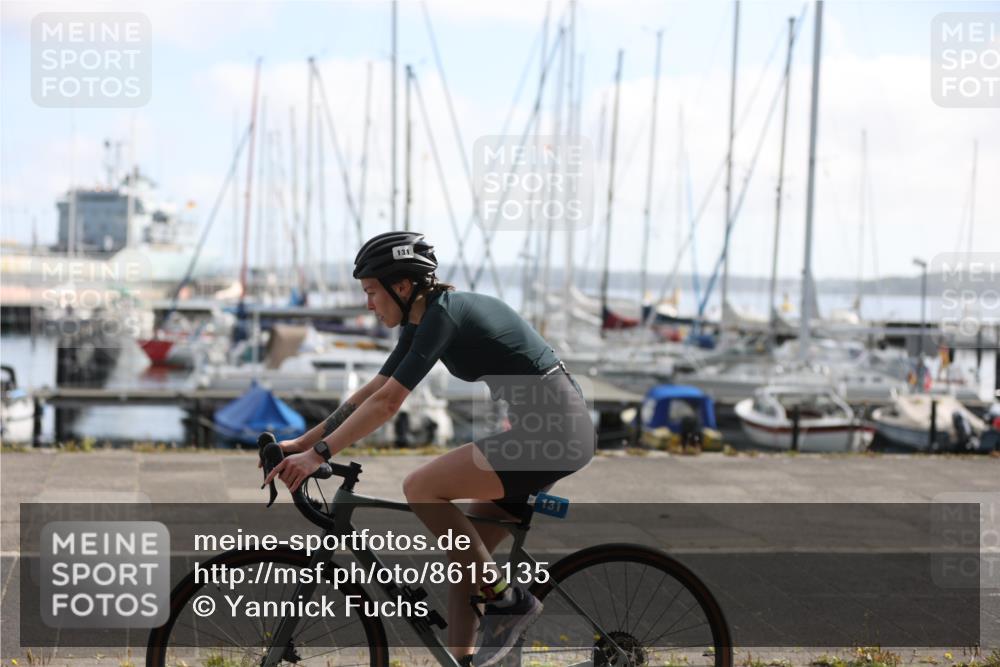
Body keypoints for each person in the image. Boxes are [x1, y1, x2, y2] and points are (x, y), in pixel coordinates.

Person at [264, 231, 595, 666]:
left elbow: (389, 403)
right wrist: (302, 443)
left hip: (554, 434)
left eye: (371, 291)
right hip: (545, 432)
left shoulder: (445, 315)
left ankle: (508, 602)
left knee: (421, 487)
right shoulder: (422, 320)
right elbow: (376, 388)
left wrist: (319, 456)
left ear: (402, 287)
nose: (368, 304)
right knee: (467, 562)